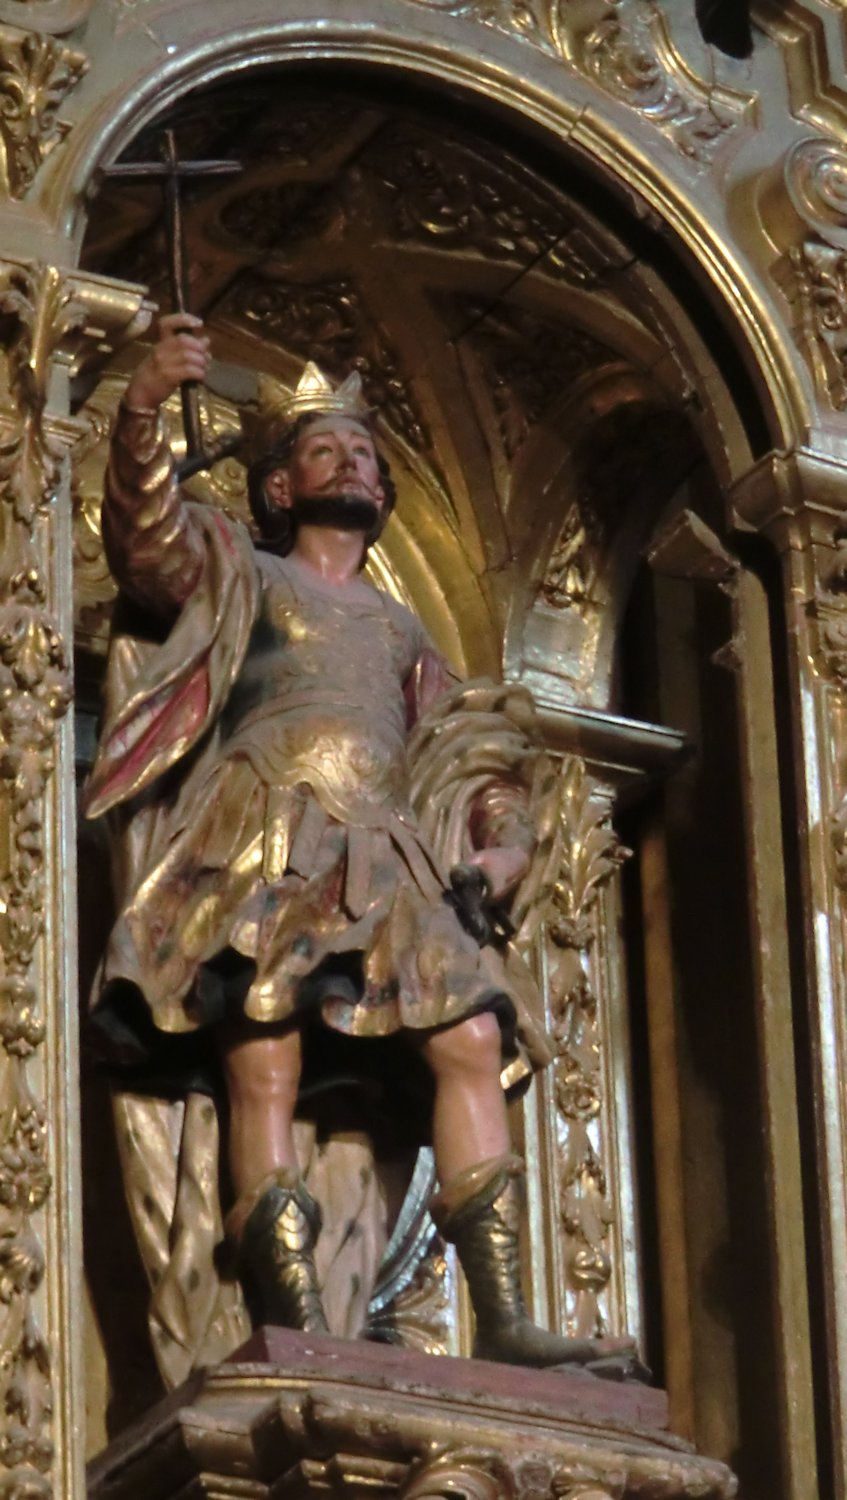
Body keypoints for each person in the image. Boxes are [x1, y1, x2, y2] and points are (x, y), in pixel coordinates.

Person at [85, 314, 633, 1373]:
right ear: (281, 486)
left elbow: (467, 754)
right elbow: (146, 541)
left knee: (472, 1036)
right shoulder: (246, 572)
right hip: (267, 836)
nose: (353, 464)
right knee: (266, 1057)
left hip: (387, 853)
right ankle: (286, 1322)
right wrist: (145, 403)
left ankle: (507, 1316)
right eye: (326, 450)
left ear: (383, 494)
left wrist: (501, 850)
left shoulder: (400, 629)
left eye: (366, 455)